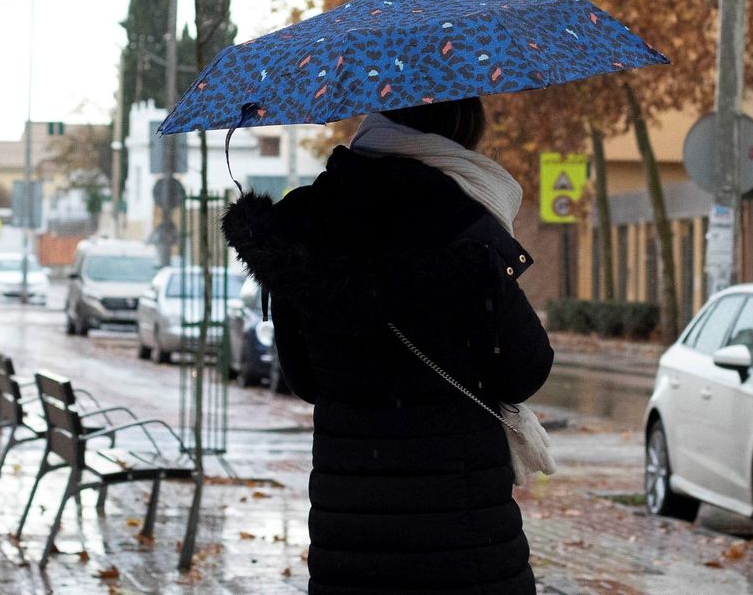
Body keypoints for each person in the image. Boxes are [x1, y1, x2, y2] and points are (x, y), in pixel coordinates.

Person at [222, 97, 554, 595]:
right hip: (461, 535)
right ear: (460, 126)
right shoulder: (463, 219)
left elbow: (304, 378)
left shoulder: (306, 223)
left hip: (350, 530)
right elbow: (525, 369)